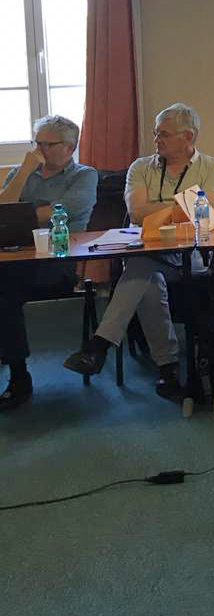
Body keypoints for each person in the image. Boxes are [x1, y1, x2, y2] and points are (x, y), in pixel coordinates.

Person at [64, 103, 214, 398]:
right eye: (155, 133)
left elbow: (207, 212)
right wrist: (182, 205)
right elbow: (137, 213)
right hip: (147, 250)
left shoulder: (213, 167)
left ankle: (103, 346)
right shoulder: (140, 167)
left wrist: (162, 209)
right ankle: (167, 369)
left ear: (188, 137)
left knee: (141, 268)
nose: (156, 140)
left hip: (193, 255)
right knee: (147, 275)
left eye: (164, 134)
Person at [0, 115, 98, 411]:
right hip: (15, 256)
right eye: (37, 143)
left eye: (47, 144)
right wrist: (24, 171)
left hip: (58, 261)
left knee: (4, 288)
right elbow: (3, 210)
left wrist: (22, 213)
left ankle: (19, 376)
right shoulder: (23, 173)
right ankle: (15, 364)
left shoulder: (84, 175)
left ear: (69, 146)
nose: (39, 150)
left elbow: (59, 212)